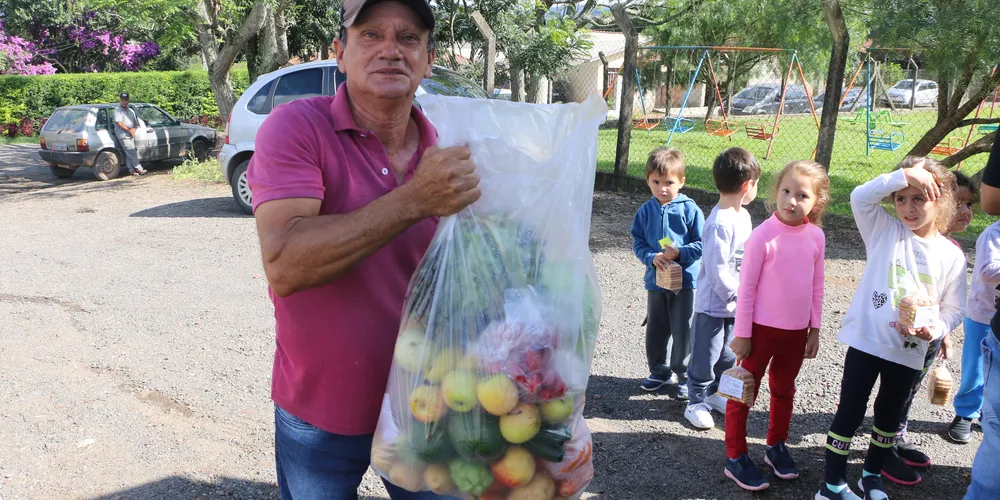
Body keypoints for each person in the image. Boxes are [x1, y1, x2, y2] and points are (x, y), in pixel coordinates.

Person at [246, 0, 481, 498]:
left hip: (431, 402)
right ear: (340, 52)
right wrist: (415, 199)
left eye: (408, 37)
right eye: (370, 35)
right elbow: (285, 263)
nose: (391, 50)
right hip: (321, 408)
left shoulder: (455, 148)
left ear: (428, 59)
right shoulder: (296, 128)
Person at [816, 157, 966, 500]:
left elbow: (955, 309)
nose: (908, 208)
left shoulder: (951, 256)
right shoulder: (884, 230)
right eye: (901, 198)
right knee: (850, 410)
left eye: (918, 198)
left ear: (940, 200)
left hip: (911, 351)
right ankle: (832, 485)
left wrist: (938, 329)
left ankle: (871, 475)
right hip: (868, 342)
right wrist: (904, 175)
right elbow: (859, 196)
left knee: (889, 416)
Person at [724, 160, 828, 492]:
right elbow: (747, 288)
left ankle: (776, 445)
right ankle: (735, 455)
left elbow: (817, 286)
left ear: (816, 201)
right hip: (759, 332)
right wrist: (742, 334)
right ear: (775, 192)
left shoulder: (816, 237)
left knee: (784, 390)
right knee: (742, 392)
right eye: (786, 191)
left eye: (802, 195)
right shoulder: (762, 236)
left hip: (796, 334)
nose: (791, 201)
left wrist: (814, 329)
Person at [881, 171, 980, 485]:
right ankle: (883, 446)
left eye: (969, 204)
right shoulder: (917, 244)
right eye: (959, 203)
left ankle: (896, 437)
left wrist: (944, 334)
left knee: (910, 389)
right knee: (897, 390)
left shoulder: (950, 249)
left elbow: (943, 300)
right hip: (905, 334)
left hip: (929, 336)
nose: (966, 211)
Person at [684, 148, 760, 430]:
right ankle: (696, 401)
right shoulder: (719, 222)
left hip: (736, 305)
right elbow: (717, 270)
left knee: (728, 354)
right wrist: (737, 296)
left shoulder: (743, 217)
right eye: (756, 184)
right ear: (746, 185)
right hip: (713, 305)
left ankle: (717, 394)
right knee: (706, 354)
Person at [630, 148, 704, 399]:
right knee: (656, 328)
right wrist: (652, 258)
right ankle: (659, 371)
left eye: (669, 182)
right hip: (655, 281)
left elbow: (702, 244)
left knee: (683, 328)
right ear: (648, 181)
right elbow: (638, 242)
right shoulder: (645, 211)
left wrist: (680, 253)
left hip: (684, 283)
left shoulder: (690, 210)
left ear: (681, 181)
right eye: (656, 182)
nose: (662, 188)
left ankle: (684, 375)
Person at [965, 134, 1000, 500]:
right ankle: (965, 412)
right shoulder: (994, 233)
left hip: (992, 314)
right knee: (975, 367)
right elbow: (988, 271)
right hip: (981, 314)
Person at [113, 92, 146, 176]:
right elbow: (119, 123)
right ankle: (139, 168)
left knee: (129, 152)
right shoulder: (117, 110)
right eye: (123, 100)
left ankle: (131, 170)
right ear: (120, 100)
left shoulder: (131, 111)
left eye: (126, 100)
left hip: (131, 134)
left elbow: (135, 123)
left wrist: (134, 129)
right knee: (131, 151)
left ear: (128, 100)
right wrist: (129, 130)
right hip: (123, 135)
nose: (124, 102)